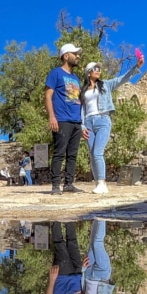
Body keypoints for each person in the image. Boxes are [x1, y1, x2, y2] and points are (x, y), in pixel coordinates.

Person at [81, 49, 146, 194]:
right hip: (88, 123)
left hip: (103, 120)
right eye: (95, 69)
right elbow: (82, 109)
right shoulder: (83, 90)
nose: (98, 70)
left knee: (98, 152)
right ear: (88, 72)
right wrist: (82, 126)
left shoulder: (106, 85)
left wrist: (137, 67)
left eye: (99, 69)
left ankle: (102, 183)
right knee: (92, 154)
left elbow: (122, 79)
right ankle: (98, 182)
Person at [81, 219, 145, 294]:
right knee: (97, 243)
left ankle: (96, 217)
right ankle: (102, 216)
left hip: (89, 272)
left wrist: (83, 269)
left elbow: (82, 286)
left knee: (92, 243)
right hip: (103, 274)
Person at [45, 43, 84, 195]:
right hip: (61, 119)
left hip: (76, 121)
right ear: (66, 56)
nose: (78, 56)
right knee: (59, 152)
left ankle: (69, 184)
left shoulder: (75, 78)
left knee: (73, 154)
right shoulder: (55, 73)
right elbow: (48, 95)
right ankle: (55, 186)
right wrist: (52, 117)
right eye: (75, 53)